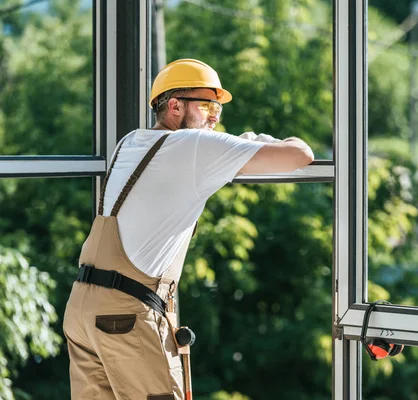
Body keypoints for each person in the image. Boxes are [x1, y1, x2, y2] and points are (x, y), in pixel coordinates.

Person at [63, 58, 314, 399]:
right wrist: (257, 139)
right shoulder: (195, 146)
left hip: (81, 310)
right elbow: (300, 155)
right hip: (127, 316)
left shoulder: (130, 142)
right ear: (175, 106)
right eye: (208, 105)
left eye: (219, 109)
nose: (215, 116)